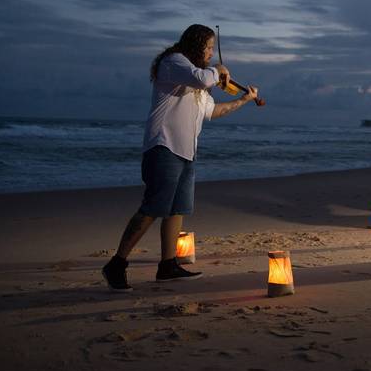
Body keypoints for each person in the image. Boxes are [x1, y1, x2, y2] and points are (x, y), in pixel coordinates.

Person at [102, 24, 259, 291]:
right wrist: (219, 71)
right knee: (153, 207)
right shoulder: (174, 62)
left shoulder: (198, 83)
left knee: (177, 209)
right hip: (164, 146)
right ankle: (116, 264)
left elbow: (212, 112)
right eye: (209, 47)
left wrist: (244, 100)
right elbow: (202, 77)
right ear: (196, 44)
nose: (211, 52)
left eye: (212, 48)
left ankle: (168, 265)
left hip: (187, 150)